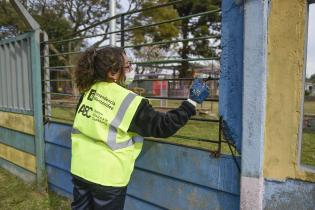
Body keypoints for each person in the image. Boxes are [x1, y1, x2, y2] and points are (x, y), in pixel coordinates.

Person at [70, 46, 209, 210]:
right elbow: (163, 126)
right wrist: (191, 102)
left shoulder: (87, 91)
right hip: (107, 177)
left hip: (80, 169)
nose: (131, 69)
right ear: (112, 73)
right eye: (128, 66)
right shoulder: (129, 101)